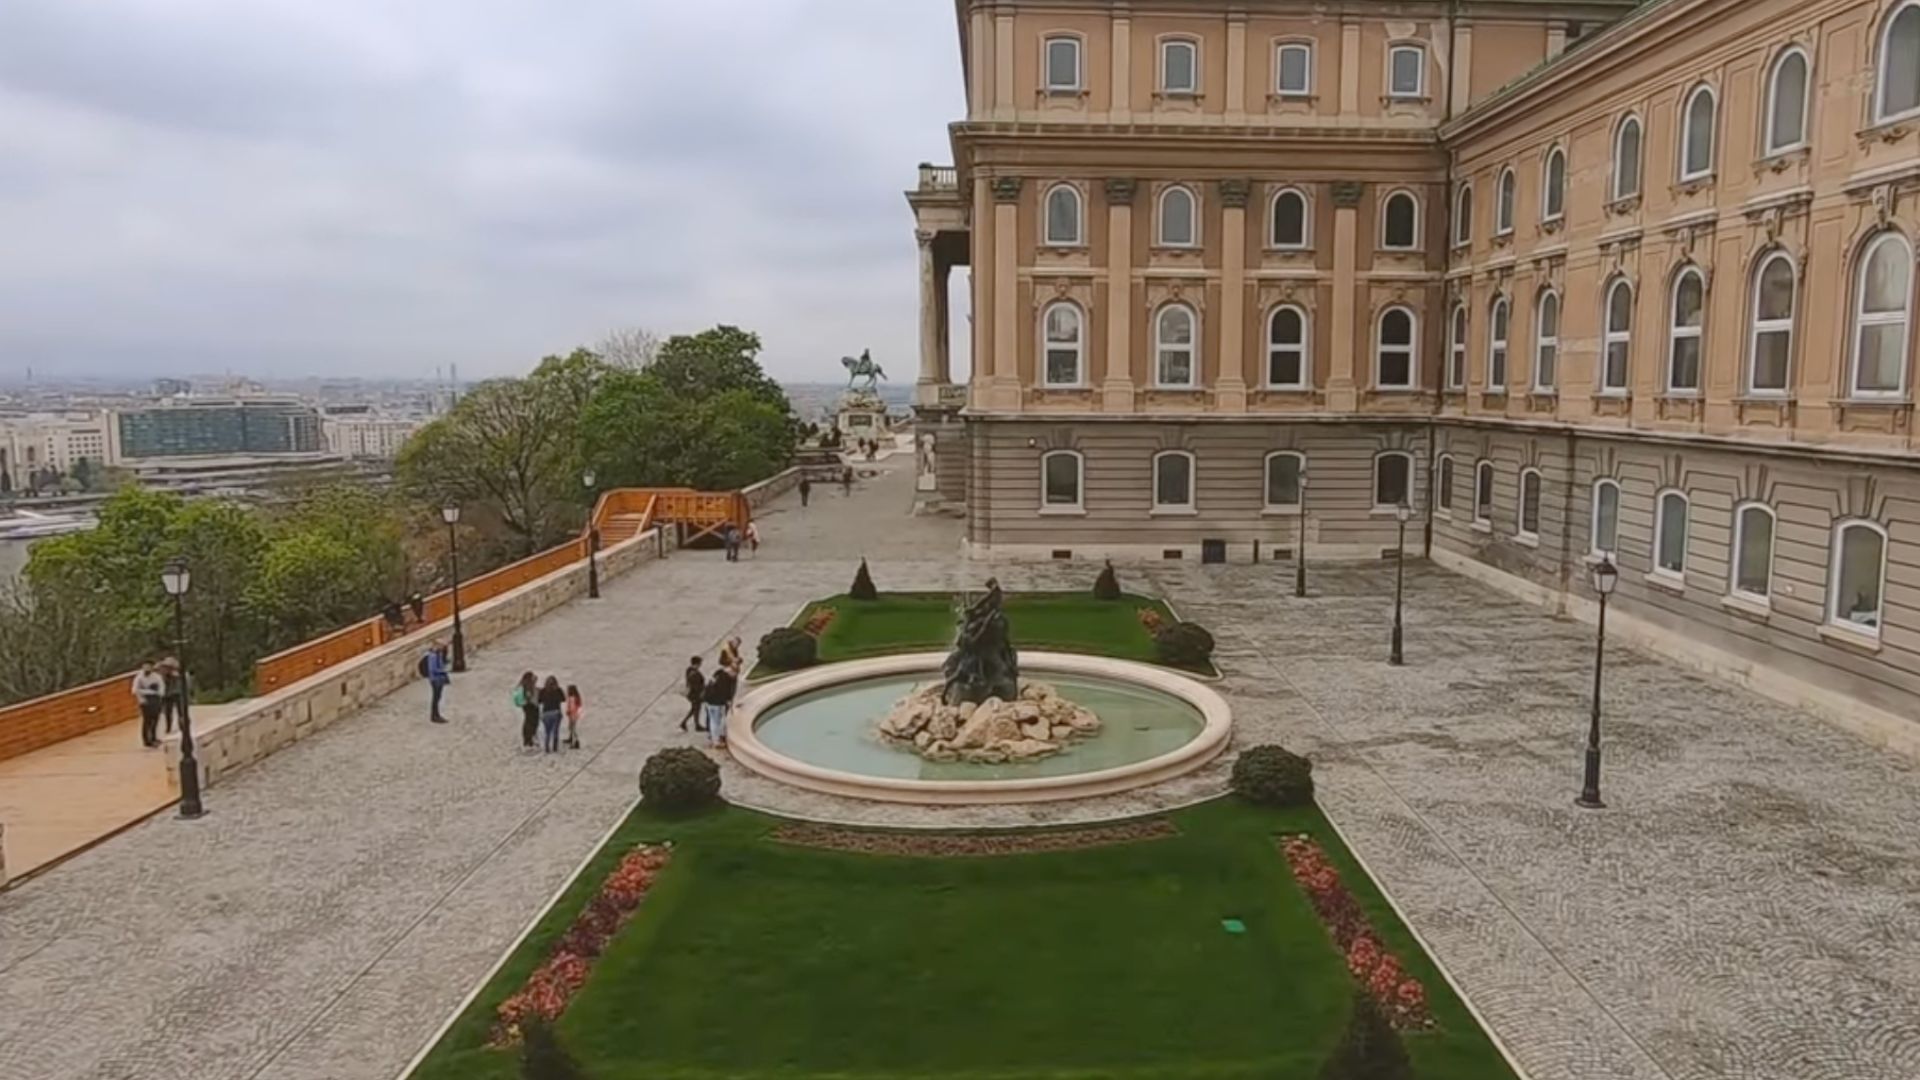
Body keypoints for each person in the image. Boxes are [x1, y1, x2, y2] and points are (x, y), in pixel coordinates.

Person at [702, 662, 737, 749]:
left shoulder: (718, 673)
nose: (734, 676)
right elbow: (723, 692)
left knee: (713, 720)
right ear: (731, 670)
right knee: (715, 721)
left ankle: (716, 736)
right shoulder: (724, 679)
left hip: (709, 701)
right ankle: (716, 741)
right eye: (734, 674)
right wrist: (727, 701)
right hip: (715, 703)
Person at [132, 661, 166, 748]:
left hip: (155, 699)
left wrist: (159, 695)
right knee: (147, 720)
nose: (147, 668)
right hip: (145, 700)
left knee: (155, 719)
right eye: (145, 666)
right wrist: (142, 697)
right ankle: (147, 740)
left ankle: (154, 737)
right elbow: (135, 690)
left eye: (148, 666)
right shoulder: (139, 678)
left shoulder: (156, 677)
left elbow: (161, 688)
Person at [536, 675, 566, 753]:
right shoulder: (558, 690)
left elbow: (539, 701)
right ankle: (554, 748)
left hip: (546, 713)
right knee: (555, 731)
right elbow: (563, 699)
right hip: (556, 712)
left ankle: (547, 748)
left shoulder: (543, 691)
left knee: (547, 731)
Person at [425, 643, 451, 724]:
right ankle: (434, 716)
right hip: (435, 679)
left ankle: (436, 715)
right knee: (436, 698)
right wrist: (443, 670)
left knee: (438, 697)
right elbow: (433, 669)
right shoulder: (433, 656)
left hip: (439, 679)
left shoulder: (438, 654)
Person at [514, 671, 539, 749]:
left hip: (526, 706)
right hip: (530, 705)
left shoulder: (524, 685)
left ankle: (528, 739)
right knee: (530, 721)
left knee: (528, 721)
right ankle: (528, 739)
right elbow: (529, 696)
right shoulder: (528, 685)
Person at [159, 656, 183, 734]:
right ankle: (168, 727)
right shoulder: (163, 673)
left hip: (176, 693)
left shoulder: (176, 673)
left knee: (180, 711)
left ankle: (182, 725)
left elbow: (179, 680)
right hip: (168, 694)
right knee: (168, 712)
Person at [681, 656, 706, 732]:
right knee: (696, 708)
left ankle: (687, 723)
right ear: (697, 664)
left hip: (692, 693)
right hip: (695, 694)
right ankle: (695, 725)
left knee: (694, 709)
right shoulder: (695, 674)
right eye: (700, 663)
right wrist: (702, 693)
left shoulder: (689, 670)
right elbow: (697, 686)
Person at [565, 685, 584, 749]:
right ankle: (571, 739)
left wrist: (570, 711)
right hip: (572, 715)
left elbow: (573, 707)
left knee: (573, 729)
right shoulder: (574, 697)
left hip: (573, 715)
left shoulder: (573, 698)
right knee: (571, 728)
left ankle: (575, 742)